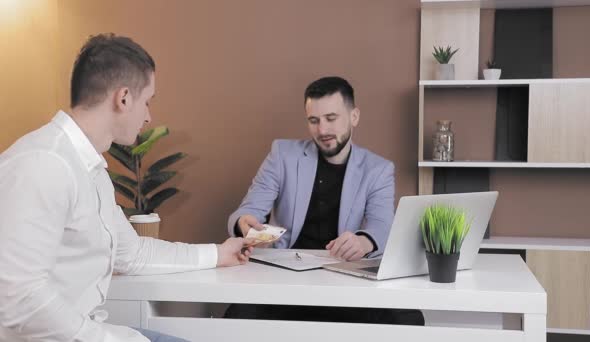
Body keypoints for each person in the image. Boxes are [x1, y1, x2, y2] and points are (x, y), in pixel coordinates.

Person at [0, 33, 253, 342]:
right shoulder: (44, 164)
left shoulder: (89, 170)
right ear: (123, 98)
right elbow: (18, 299)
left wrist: (217, 253)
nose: (148, 116)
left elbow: (132, 254)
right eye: (147, 101)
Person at [224, 76, 424, 325]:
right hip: (284, 276)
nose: (322, 130)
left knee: (409, 318)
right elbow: (249, 209)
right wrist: (245, 223)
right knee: (235, 318)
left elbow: (382, 224)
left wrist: (363, 241)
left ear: (354, 117)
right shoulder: (282, 154)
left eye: (331, 118)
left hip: (344, 277)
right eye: (314, 121)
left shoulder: (378, 169)